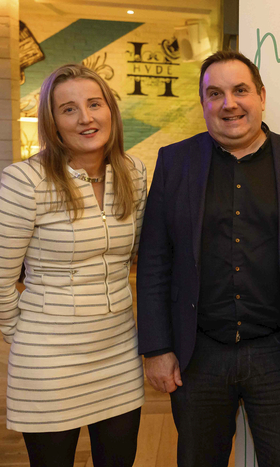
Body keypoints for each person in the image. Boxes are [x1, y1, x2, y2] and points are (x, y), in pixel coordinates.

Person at [136, 50, 280, 467]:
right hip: (199, 355)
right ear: (203, 104)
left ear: (262, 97)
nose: (228, 103)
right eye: (215, 93)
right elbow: (155, 260)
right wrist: (157, 347)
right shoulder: (174, 162)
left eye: (240, 90)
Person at [0, 64, 147, 466]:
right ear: (53, 123)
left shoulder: (133, 173)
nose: (86, 117)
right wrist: (28, 332)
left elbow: (145, 259)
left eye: (95, 103)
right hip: (48, 363)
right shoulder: (24, 181)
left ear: (111, 111)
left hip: (118, 354)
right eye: (69, 109)